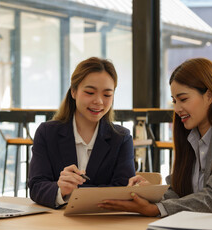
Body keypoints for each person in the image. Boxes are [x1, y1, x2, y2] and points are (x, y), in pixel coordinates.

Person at [98, 58, 212, 217]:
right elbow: (178, 193)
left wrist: (156, 208)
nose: (177, 109)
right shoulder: (189, 137)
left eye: (183, 99)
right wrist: (152, 193)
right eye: (174, 101)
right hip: (194, 228)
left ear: (209, 95)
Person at [28, 57, 136, 208]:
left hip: (104, 223)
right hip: (57, 221)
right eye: (90, 92)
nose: (98, 101)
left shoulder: (121, 138)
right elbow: (36, 186)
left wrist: (72, 191)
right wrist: (60, 190)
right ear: (73, 91)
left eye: (107, 95)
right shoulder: (47, 133)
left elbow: (123, 190)